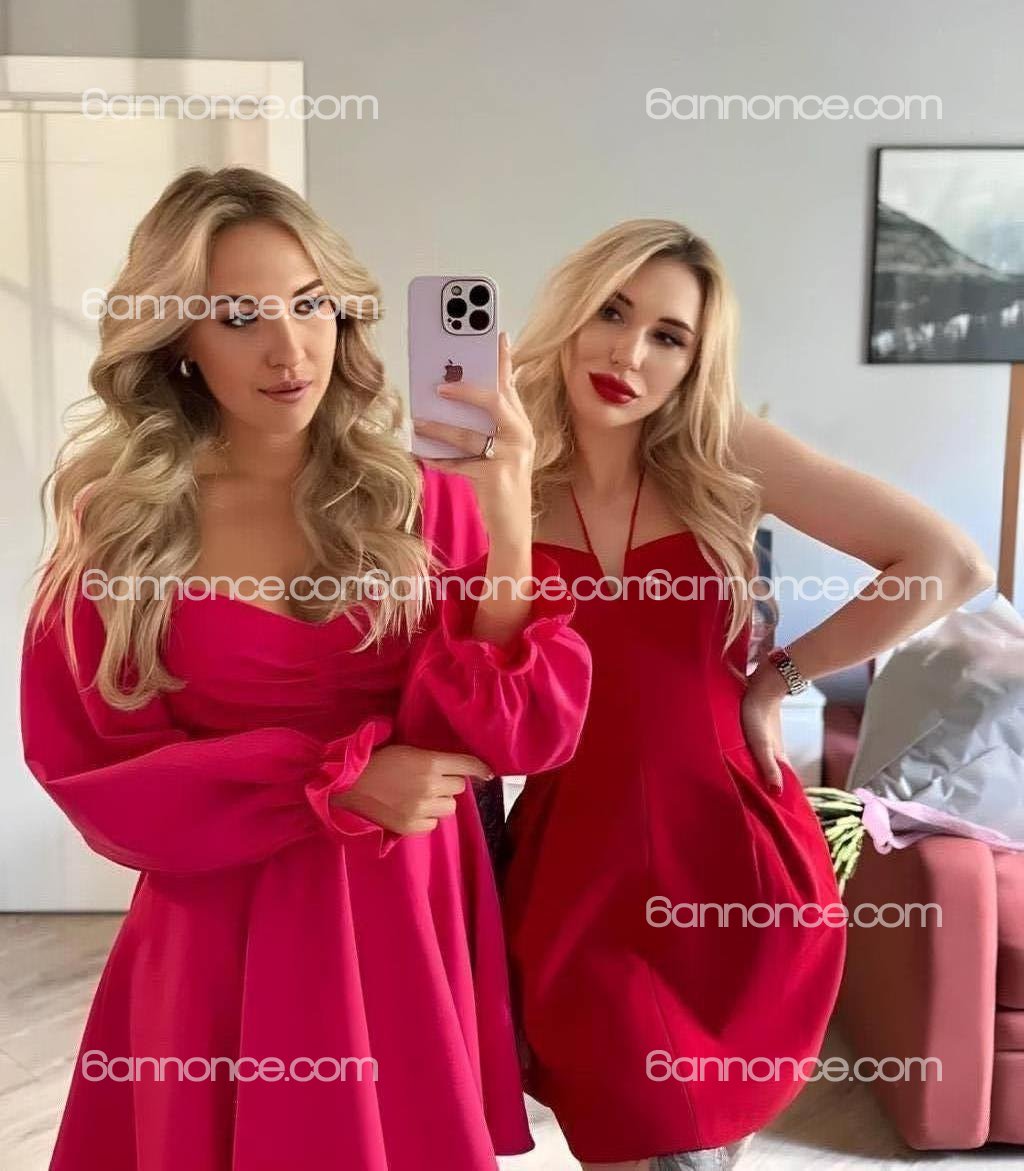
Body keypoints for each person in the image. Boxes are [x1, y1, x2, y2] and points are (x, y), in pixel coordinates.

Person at [20, 166, 591, 1171]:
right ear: (179, 340)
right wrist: (331, 782)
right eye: (238, 316)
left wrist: (508, 522)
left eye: (309, 304)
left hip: (402, 915)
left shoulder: (422, 499)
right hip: (218, 929)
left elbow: (517, 735)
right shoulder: (119, 523)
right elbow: (92, 773)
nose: (289, 350)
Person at [493, 219, 995, 1171]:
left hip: (733, 863)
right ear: (571, 313)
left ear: (695, 361)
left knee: (697, 1148)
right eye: (612, 313)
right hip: (574, 870)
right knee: (623, 1124)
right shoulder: (500, 475)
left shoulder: (724, 450)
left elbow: (946, 561)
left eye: (668, 336)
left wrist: (779, 680)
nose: (629, 354)